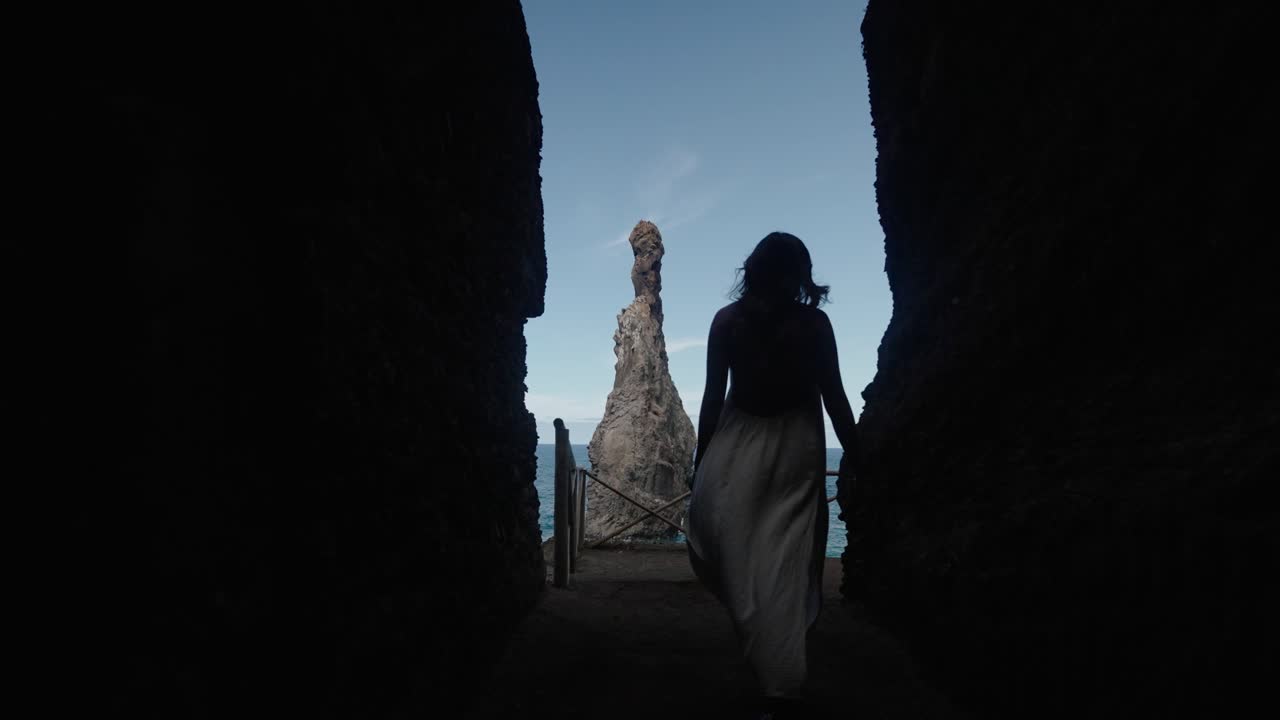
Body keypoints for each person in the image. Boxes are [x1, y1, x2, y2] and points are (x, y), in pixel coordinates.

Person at [686, 231, 859, 716]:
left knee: (739, 549)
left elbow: (711, 401)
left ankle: (772, 664)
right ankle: (780, 669)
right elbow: (835, 397)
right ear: (799, 275)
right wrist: (859, 453)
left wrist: (702, 465)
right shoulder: (815, 325)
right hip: (798, 444)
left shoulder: (727, 322)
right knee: (789, 554)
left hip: (737, 441)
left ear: (753, 269)